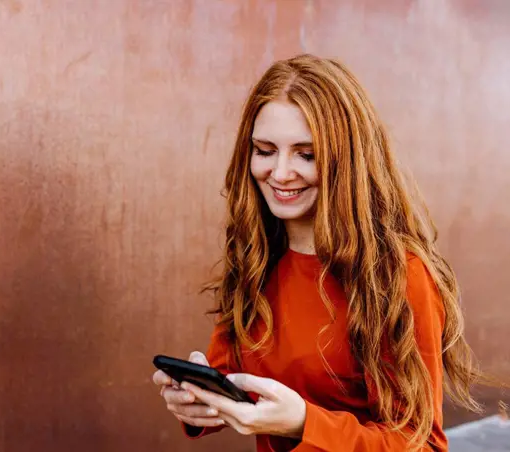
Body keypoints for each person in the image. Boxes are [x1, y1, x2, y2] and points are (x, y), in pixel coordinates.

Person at [152, 54, 489, 451]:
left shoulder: (399, 275)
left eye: (306, 155)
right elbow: (233, 382)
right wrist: (199, 402)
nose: (280, 173)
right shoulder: (256, 257)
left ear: (345, 160)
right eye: (264, 150)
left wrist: (304, 424)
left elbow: (422, 445)